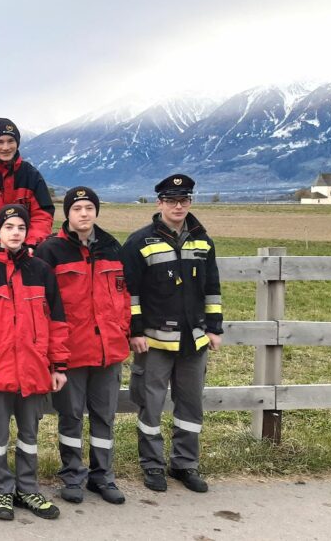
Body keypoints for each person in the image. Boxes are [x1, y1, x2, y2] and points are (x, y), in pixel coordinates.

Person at [0, 204, 68, 522]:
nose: (15, 233)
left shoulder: (41, 271)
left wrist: (58, 366)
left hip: (35, 369)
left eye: (21, 227)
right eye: (9, 227)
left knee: (29, 434)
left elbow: (57, 322)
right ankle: (2, 490)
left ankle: (27, 488)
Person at [122, 174, 222, 494]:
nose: (178, 206)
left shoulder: (203, 241)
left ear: (191, 202)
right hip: (153, 340)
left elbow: (212, 290)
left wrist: (215, 328)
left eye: (184, 200)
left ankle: (185, 464)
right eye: (171, 200)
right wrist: (135, 331)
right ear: (159, 203)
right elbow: (130, 294)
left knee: (190, 405)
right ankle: (152, 465)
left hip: (195, 339)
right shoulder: (139, 242)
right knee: (150, 404)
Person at [34, 187, 130, 505]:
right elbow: (44, 305)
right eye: (77, 208)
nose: (84, 213)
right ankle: (72, 475)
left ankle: (103, 477)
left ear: (97, 212)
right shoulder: (51, 251)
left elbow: (125, 296)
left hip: (108, 349)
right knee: (71, 416)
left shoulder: (113, 248)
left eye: (89, 207)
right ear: (68, 214)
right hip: (71, 349)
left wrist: (122, 329)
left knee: (104, 416)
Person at [0, 118, 55, 259]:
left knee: (45, 268)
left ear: (17, 143)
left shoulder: (31, 174)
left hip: (28, 243)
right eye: (0, 142)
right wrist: (3, 244)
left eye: (10, 141)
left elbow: (43, 215)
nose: (6, 147)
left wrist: (29, 242)